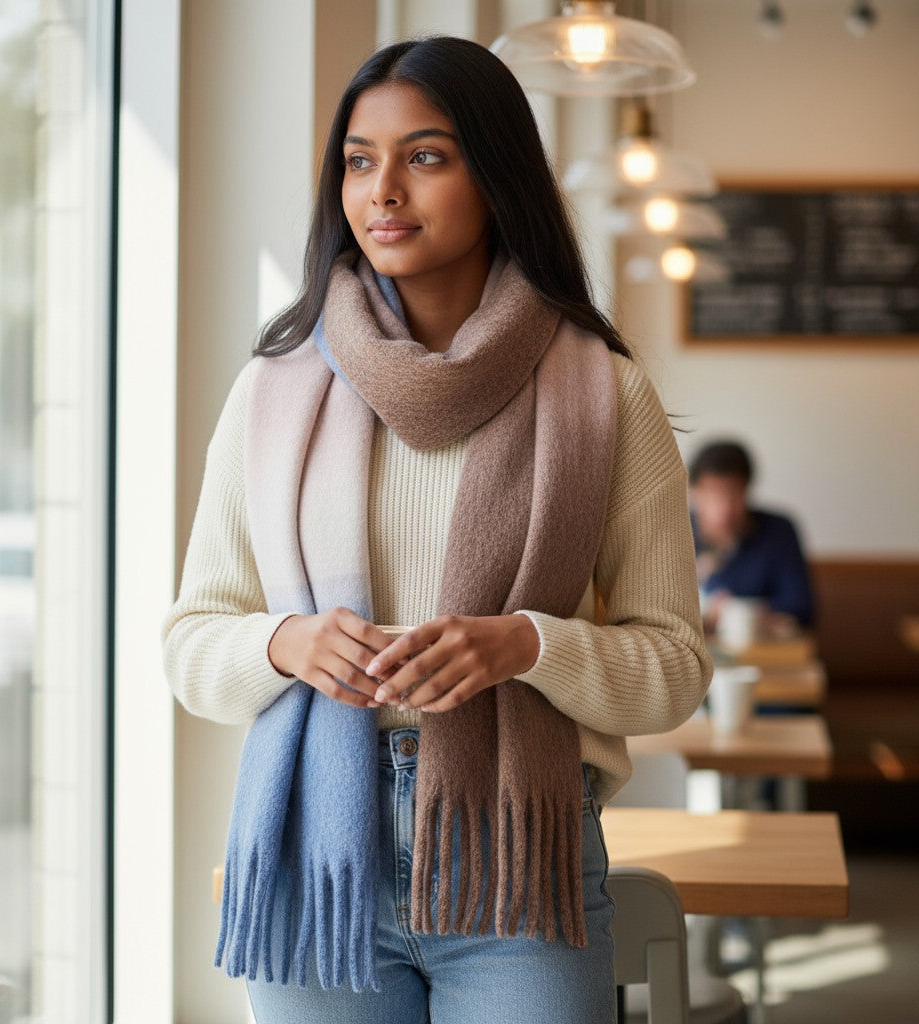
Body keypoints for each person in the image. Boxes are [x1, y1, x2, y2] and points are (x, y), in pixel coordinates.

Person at [161, 36, 710, 1024]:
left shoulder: (603, 395)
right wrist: (288, 642)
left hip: (518, 865)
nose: (384, 192)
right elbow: (191, 642)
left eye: (424, 156)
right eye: (359, 161)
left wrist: (527, 644)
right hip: (316, 863)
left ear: (497, 176)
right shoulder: (274, 391)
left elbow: (673, 667)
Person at [688, 439, 815, 634]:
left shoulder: (778, 531)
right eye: (713, 494)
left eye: (734, 493)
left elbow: (801, 607)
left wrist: (742, 612)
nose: (725, 508)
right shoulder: (675, 533)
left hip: (763, 653)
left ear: (748, 490)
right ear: (694, 492)